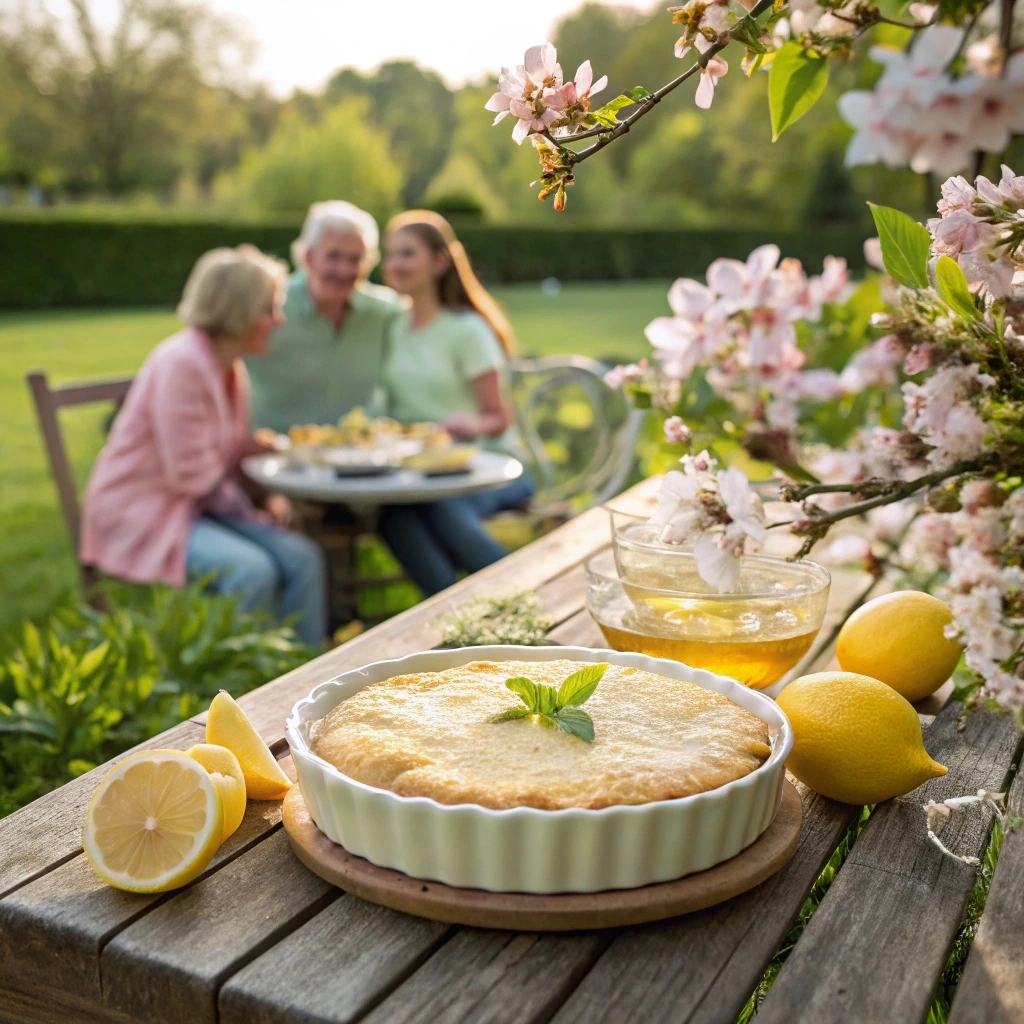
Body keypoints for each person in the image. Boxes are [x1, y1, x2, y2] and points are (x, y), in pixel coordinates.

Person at [80, 246, 328, 646]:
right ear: (238, 311)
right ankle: (240, 689)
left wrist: (260, 482)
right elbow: (191, 474)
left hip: (195, 505)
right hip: (143, 510)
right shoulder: (183, 362)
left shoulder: (229, 364)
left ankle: (308, 673)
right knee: (252, 571)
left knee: (303, 558)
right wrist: (253, 511)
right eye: (269, 310)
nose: (277, 321)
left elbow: (222, 453)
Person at [376, 210, 534, 595]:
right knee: (393, 518)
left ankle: (519, 600)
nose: (395, 264)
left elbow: (498, 419)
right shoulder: (395, 327)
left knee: (438, 508)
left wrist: (470, 425)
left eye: (407, 254)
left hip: (491, 466)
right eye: (390, 254)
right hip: (424, 473)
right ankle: (459, 623)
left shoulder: (466, 331)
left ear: (440, 261)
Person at [245, 200, 401, 433]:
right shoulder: (269, 305)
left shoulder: (385, 311)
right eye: (333, 256)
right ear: (308, 257)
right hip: (274, 457)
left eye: (355, 259)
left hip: (357, 457)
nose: (344, 270)